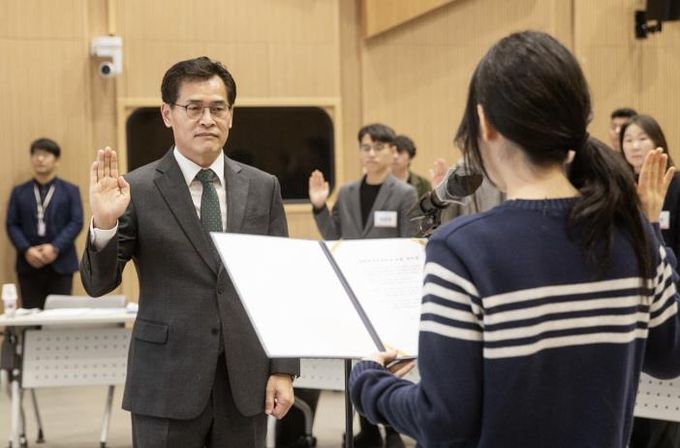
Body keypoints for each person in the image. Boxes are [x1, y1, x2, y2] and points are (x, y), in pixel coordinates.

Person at [349, 31, 680, 447]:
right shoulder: (634, 235)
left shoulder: (461, 251)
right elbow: (669, 357)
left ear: (485, 123)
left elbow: (443, 420)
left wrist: (368, 382)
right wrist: (649, 229)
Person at [80, 57, 298, 448]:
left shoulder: (263, 187)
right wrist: (105, 223)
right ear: (168, 114)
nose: (207, 119)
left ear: (231, 115)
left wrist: (283, 369)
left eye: (218, 108)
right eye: (193, 108)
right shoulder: (137, 188)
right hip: (166, 380)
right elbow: (98, 284)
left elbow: (279, 285)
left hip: (244, 381)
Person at [308, 123, 418, 447]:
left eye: (379, 147)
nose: (371, 154)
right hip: (354, 289)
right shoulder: (347, 192)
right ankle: (367, 427)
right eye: (366, 147)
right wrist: (319, 206)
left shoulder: (404, 193)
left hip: (387, 290)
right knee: (360, 358)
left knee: (390, 359)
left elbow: (409, 243)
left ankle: (392, 429)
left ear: (392, 152)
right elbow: (334, 236)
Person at [621, 114, 680, 448]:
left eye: (641, 138)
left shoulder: (676, 186)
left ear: (657, 140)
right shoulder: (618, 189)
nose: (634, 145)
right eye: (628, 140)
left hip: (669, 292)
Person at [6, 138, 83, 309]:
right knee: (30, 316)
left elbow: (76, 222)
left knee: (60, 316)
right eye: (36, 154)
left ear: (57, 160)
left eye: (46, 155)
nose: (40, 159)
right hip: (28, 263)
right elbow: (12, 224)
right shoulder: (19, 192)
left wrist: (54, 248)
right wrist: (27, 249)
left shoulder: (70, 190)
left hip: (61, 262)